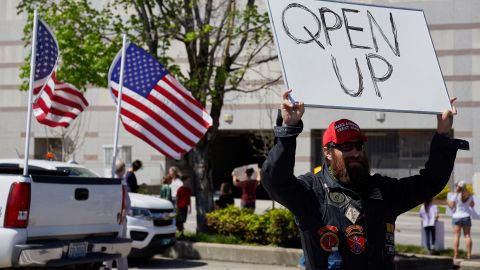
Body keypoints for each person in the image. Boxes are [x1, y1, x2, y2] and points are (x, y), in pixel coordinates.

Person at [261, 90, 465, 270]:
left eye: (358, 145)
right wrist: (288, 131)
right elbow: (275, 182)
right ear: (328, 153)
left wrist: (443, 133)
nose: (356, 152)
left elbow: (430, 182)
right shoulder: (312, 191)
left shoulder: (381, 190)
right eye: (346, 147)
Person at [105, 159, 129, 270]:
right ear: (122, 169)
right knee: (119, 245)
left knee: (112, 245)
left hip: (116, 217)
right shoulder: (117, 182)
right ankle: (110, 266)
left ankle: (108, 266)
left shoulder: (117, 181)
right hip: (118, 218)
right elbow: (125, 202)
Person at [447, 180, 475, 260]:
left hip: (456, 216)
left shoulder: (455, 195)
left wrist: (448, 202)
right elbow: (472, 205)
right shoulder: (469, 195)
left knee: (456, 236)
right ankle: (469, 255)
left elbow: (452, 206)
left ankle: (456, 254)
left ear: (458, 187)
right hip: (466, 216)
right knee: (467, 236)